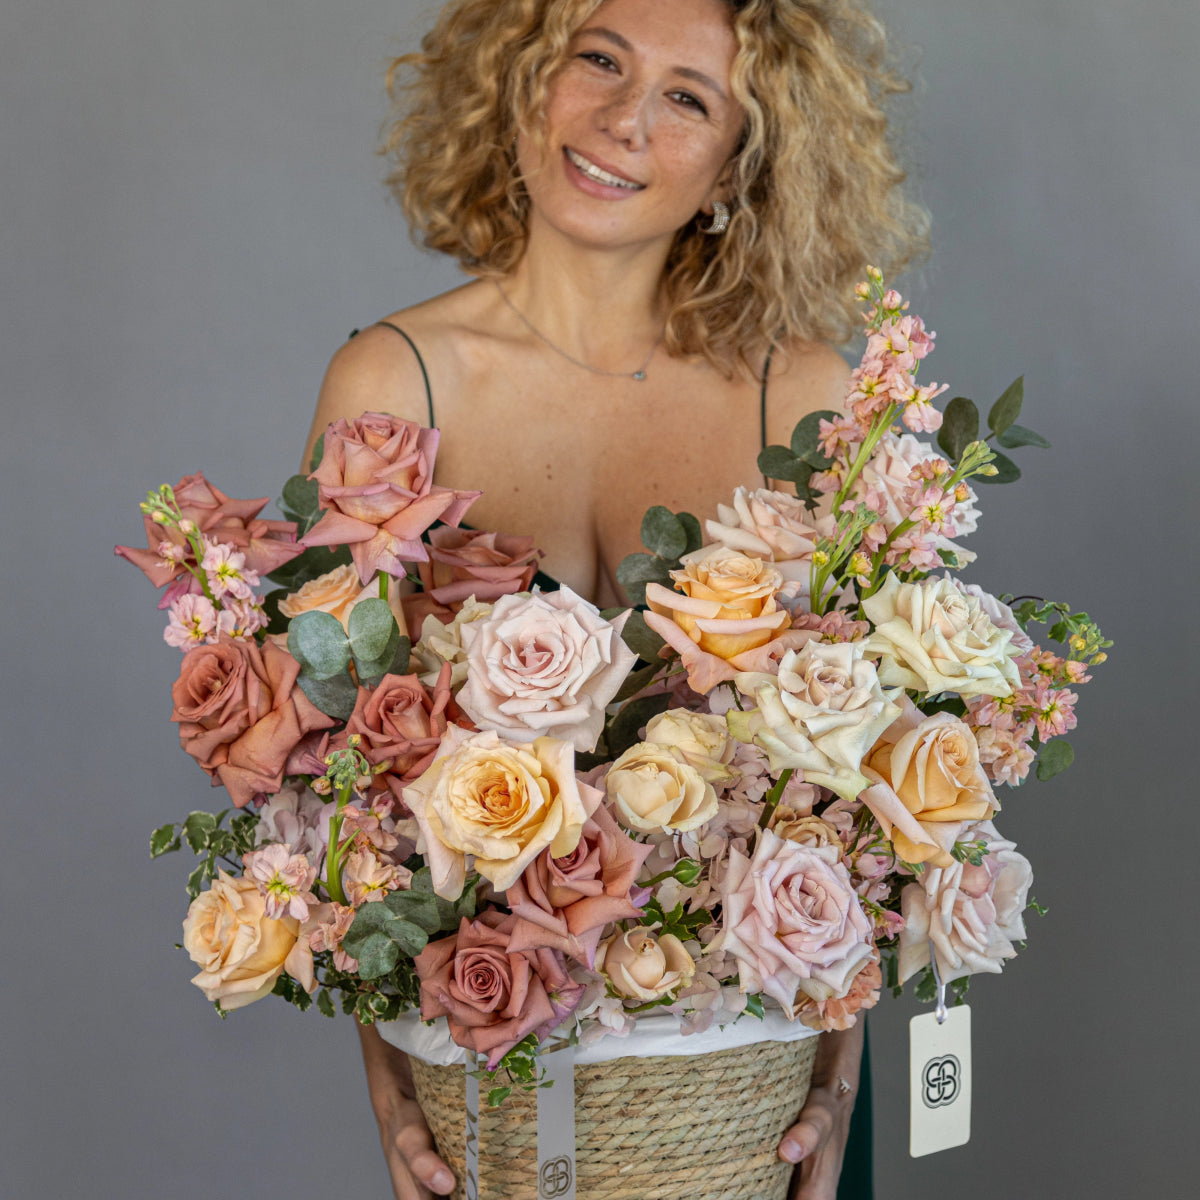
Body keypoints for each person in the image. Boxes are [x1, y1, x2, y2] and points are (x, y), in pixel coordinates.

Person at [303, 1, 926, 1195]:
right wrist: (388, 1087)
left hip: (760, 1097)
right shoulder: (393, 379)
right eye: (599, 59)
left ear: (743, 161)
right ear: (521, 79)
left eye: (688, 97)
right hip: (493, 1088)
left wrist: (837, 1082)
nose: (622, 120)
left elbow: (873, 789)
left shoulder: (801, 393)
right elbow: (336, 778)